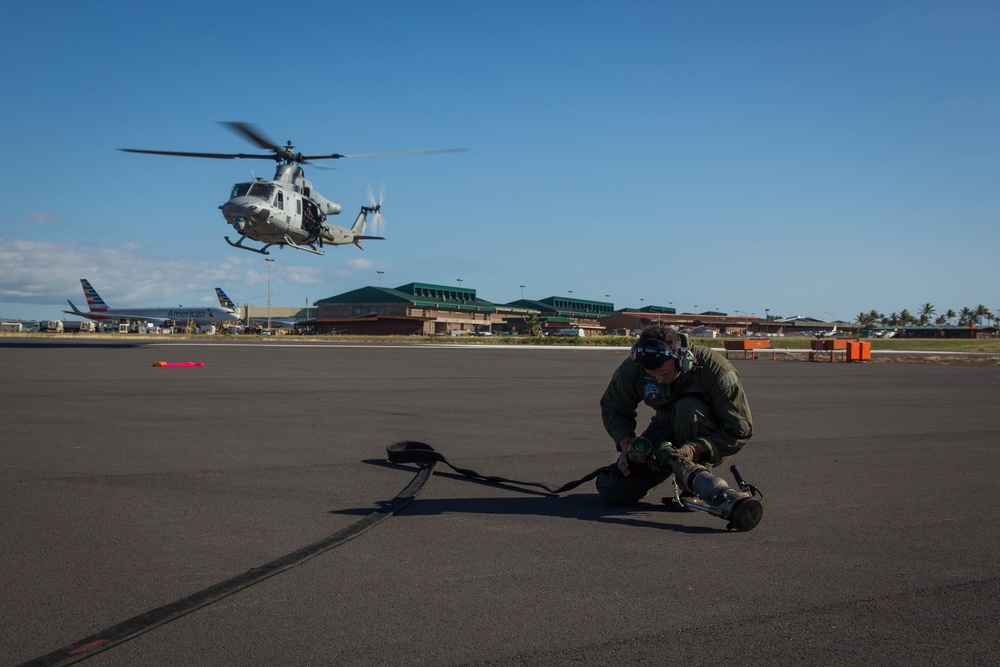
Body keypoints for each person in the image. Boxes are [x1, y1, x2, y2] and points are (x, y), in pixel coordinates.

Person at [597, 322, 753, 506]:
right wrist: (627, 443)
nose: (658, 380)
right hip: (664, 426)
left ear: (682, 361)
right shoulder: (635, 366)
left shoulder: (715, 369)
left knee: (686, 408)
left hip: (704, 433)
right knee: (613, 488)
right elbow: (614, 407)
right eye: (652, 375)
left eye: (663, 374)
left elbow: (739, 429)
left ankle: (696, 482)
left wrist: (695, 449)